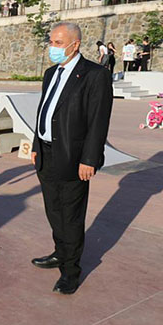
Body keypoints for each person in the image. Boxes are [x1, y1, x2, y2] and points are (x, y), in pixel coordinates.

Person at [30, 22, 113, 295]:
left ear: (74, 44)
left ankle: (70, 271)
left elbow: (98, 122)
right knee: (54, 210)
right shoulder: (50, 72)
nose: (51, 47)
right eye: (51, 41)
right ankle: (59, 253)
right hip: (46, 153)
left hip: (73, 156)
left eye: (57, 42)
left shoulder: (94, 75)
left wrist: (89, 159)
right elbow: (45, 111)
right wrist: (35, 145)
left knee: (71, 216)